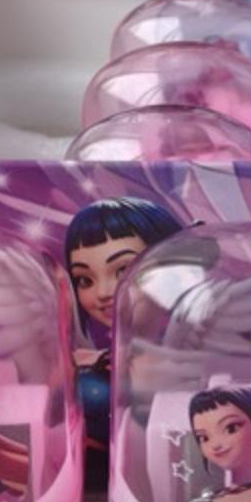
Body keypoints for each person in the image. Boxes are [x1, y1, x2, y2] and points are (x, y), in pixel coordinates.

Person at [64, 197, 184, 481]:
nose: (103, 292)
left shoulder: (187, 365)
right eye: (85, 280)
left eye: (123, 270)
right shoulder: (91, 364)